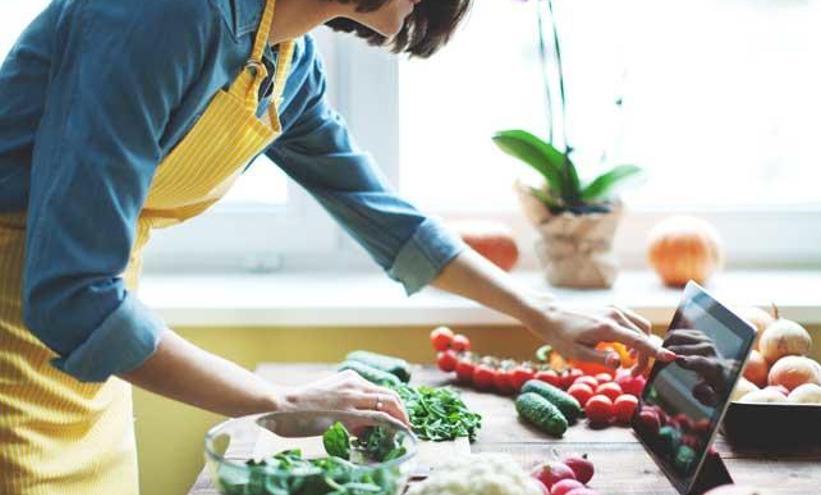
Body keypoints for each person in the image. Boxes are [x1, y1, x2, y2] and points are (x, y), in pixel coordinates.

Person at [0, 0, 675, 492]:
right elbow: (70, 294)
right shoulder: (164, 15)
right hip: (25, 345)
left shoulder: (284, 59)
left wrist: (540, 312)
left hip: (91, 358)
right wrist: (282, 403)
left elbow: (384, 217)